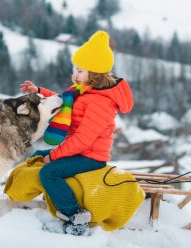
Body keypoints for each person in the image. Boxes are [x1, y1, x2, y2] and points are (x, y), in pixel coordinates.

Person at [19, 30, 134, 235]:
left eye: (80, 70)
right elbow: (64, 101)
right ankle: (46, 200)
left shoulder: (101, 102)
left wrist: (53, 156)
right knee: (37, 156)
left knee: (49, 171)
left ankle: (75, 216)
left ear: (95, 73)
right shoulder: (83, 90)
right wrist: (39, 91)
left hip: (90, 156)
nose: (75, 74)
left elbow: (83, 140)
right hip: (78, 151)